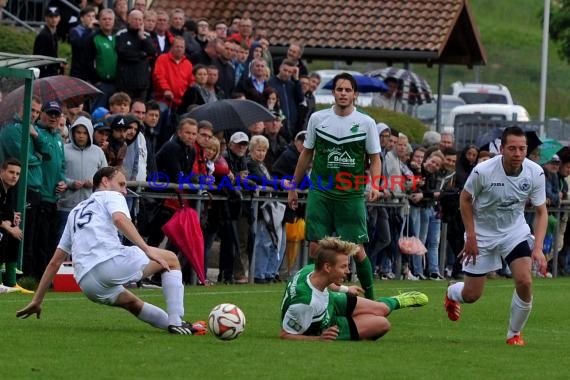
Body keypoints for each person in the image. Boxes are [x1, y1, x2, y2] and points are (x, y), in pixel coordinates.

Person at [16, 167, 207, 335]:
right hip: (109, 263)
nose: (124, 191)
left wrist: (37, 300)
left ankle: (176, 326)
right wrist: (146, 248)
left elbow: (55, 262)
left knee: (133, 303)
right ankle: (177, 320)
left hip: (86, 282)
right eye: (122, 184)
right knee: (172, 259)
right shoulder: (111, 195)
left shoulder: (75, 212)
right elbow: (119, 220)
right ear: (105, 182)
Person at [444, 126, 548, 346]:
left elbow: (541, 211)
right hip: (482, 233)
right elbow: (464, 199)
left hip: (514, 232)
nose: (518, 153)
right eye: (512, 148)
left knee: (525, 281)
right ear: (502, 149)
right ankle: (452, 292)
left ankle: (514, 334)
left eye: (522, 148)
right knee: (472, 295)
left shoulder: (535, 172)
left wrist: (537, 248)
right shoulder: (483, 171)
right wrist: (471, 237)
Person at [287, 72, 381, 300]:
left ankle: (370, 300)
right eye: (339, 89)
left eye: (348, 90)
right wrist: (293, 186)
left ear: (355, 95)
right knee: (315, 248)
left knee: (357, 250)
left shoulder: (366, 123)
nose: (343, 93)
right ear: (333, 93)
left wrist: (375, 185)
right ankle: (314, 296)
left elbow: (376, 158)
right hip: (321, 191)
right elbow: (306, 154)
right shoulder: (318, 119)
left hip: (351, 193)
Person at [280, 236, 428, 341]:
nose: (348, 271)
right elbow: (285, 335)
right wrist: (319, 339)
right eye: (343, 266)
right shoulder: (305, 303)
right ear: (327, 267)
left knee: (382, 309)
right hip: (327, 325)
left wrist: (345, 289)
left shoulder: (312, 270)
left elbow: (325, 282)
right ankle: (358, 329)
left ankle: (398, 300)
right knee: (383, 323)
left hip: (330, 301)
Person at [0, 159, 32, 294]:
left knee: (15, 234)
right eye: (11, 172)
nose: (14, 176)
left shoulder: (9, 189)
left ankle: (11, 281)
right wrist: (8, 226)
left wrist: (13, 219)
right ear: (2, 171)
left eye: (18, 174)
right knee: (3, 233)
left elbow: (6, 212)